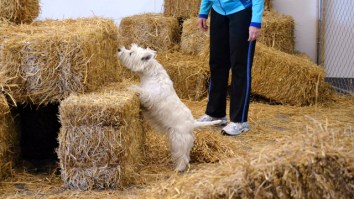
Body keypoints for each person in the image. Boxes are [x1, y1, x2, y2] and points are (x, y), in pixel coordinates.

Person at [197, 0, 264, 136]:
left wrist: (255, 21)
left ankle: (239, 121)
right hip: (218, 11)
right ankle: (216, 114)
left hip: (241, 11)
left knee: (240, 66)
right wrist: (203, 11)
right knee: (217, 64)